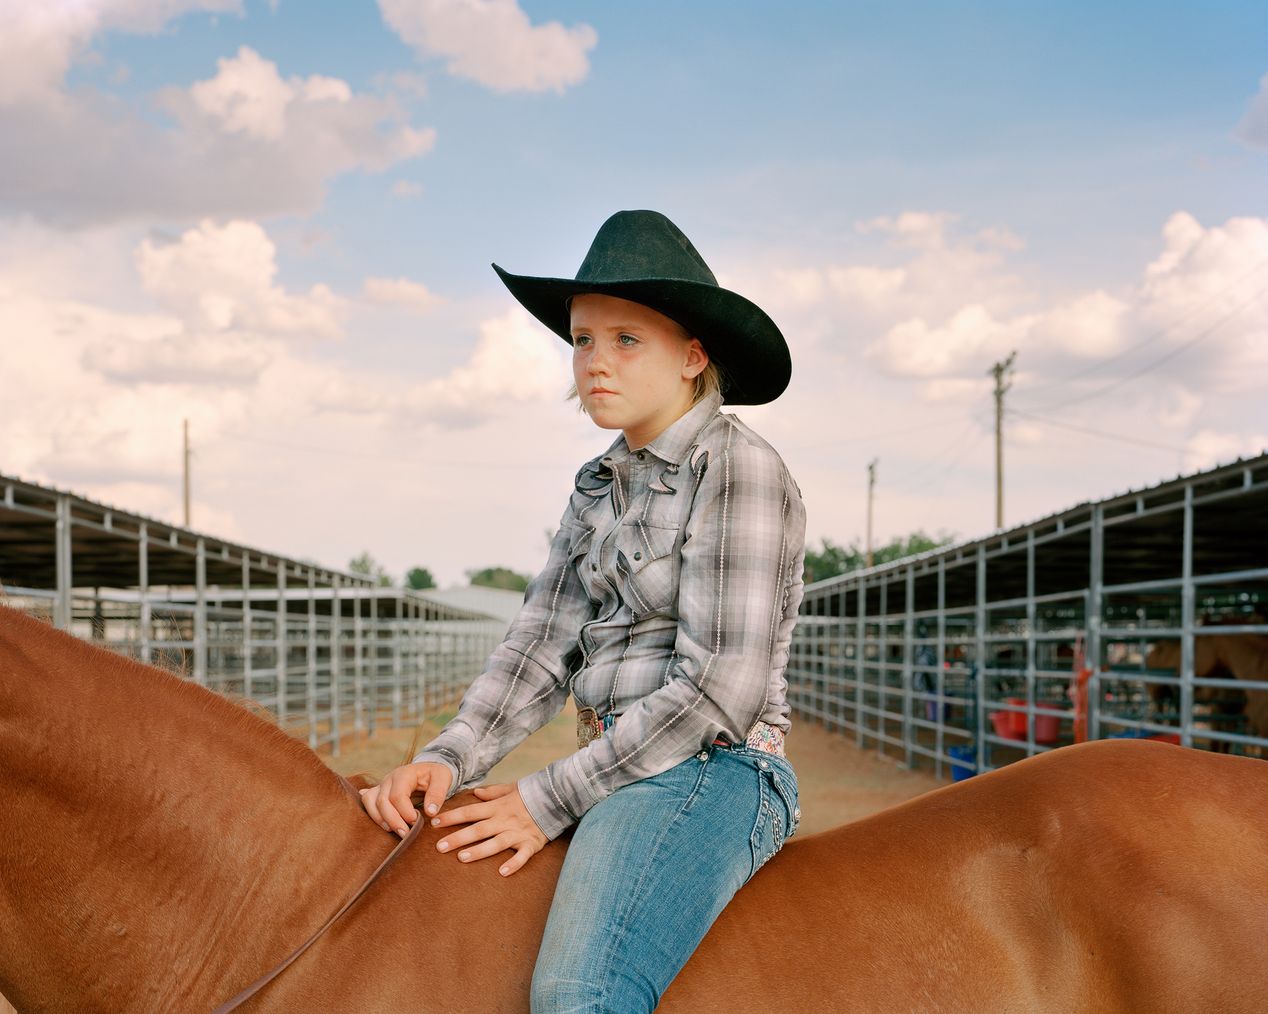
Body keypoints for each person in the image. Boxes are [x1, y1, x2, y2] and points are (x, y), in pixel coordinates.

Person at [359, 209, 807, 1012]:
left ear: (692, 356)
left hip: (714, 768)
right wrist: (449, 756)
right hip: (617, 769)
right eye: (582, 339)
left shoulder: (738, 467)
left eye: (626, 339)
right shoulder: (599, 484)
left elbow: (720, 689)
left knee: (580, 996)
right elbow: (538, 650)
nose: (595, 362)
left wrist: (548, 798)